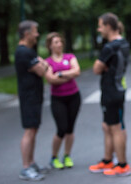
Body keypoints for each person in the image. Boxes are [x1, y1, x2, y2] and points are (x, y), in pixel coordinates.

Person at [89, 12, 131, 176]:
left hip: (112, 91)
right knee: (108, 126)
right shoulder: (123, 43)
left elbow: (96, 69)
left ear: (107, 26)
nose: (99, 29)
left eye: (100, 26)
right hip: (116, 89)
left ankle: (122, 165)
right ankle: (107, 161)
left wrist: (104, 67)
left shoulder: (110, 47)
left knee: (116, 128)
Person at [15, 20, 49, 181]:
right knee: (29, 130)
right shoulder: (24, 52)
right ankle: (25, 167)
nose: (37, 35)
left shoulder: (28, 51)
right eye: (35, 31)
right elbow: (43, 70)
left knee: (33, 129)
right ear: (27, 33)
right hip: (28, 97)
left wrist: (41, 63)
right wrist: (42, 63)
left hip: (33, 96)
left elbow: (42, 66)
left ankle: (31, 163)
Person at [44, 32, 81, 169]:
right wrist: (68, 74)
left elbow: (77, 71)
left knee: (70, 129)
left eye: (60, 42)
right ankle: (54, 157)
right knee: (61, 128)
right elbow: (50, 79)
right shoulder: (47, 62)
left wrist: (59, 74)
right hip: (58, 99)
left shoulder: (69, 56)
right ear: (49, 45)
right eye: (55, 42)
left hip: (74, 96)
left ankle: (67, 155)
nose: (59, 44)